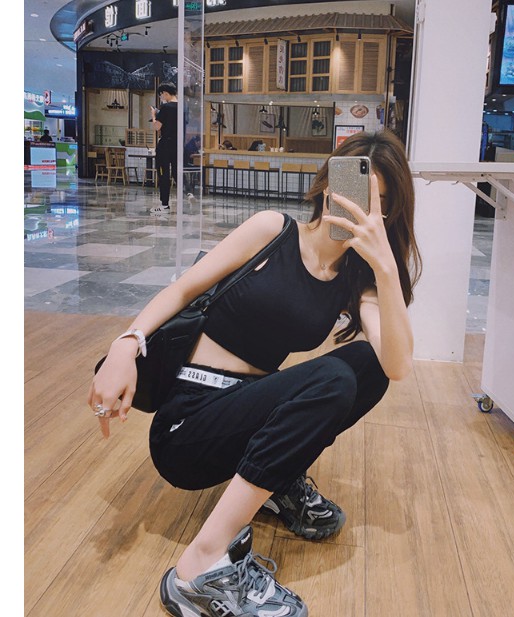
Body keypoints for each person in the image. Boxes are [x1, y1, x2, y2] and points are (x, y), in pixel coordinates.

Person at [88, 130, 422, 617]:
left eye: (380, 203)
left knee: (366, 366)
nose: (361, 210)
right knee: (332, 381)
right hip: (188, 425)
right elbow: (183, 290)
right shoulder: (273, 230)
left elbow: (397, 365)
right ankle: (200, 567)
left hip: (243, 411)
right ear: (328, 185)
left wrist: (386, 267)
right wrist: (126, 343)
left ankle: (276, 481)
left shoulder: (357, 277)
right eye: (354, 191)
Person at [150, 82, 178, 214]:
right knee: (177, 172)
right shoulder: (182, 107)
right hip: (178, 144)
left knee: (163, 174)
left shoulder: (166, 107)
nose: (161, 98)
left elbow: (157, 127)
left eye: (161, 95)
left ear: (165, 93)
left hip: (165, 145)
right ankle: (189, 194)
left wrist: (153, 115)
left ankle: (164, 205)